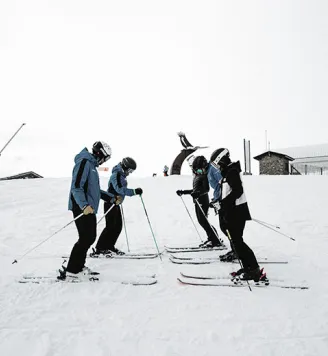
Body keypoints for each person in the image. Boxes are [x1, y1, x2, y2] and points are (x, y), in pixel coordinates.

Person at [60, 141, 118, 281]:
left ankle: (78, 267)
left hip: (88, 208)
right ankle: (73, 270)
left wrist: (111, 198)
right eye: (106, 158)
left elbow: (95, 191)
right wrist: (84, 205)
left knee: (89, 237)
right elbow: (76, 187)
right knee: (86, 238)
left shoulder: (91, 166)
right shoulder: (84, 162)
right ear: (100, 154)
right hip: (82, 207)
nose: (105, 161)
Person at [209, 148, 268, 282]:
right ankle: (248, 267)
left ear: (221, 159)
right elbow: (228, 193)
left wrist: (223, 204)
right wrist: (218, 204)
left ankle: (254, 269)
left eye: (216, 163)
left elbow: (238, 191)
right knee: (236, 242)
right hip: (233, 212)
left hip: (237, 213)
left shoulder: (232, 171)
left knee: (238, 243)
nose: (216, 166)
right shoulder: (227, 172)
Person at [93, 157, 143, 256]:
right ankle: (100, 248)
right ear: (125, 166)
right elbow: (120, 189)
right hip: (110, 203)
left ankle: (109, 246)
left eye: (132, 171)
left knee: (118, 227)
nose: (130, 172)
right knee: (110, 227)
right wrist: (134, 191)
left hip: (116, 204)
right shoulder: (116, 174)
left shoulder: (122, 175)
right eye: (130, 170)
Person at [176, 156, 225, 248]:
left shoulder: (204, 177)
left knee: (203, 221)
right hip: (197, 201)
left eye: (200, 170)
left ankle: (215, 239)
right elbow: (194, 190)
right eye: (197, 171)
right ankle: (212, 238)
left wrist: (198, 193)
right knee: (201, 221)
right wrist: (183, 192)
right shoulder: (196, 177)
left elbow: (206, 189)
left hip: (203, 200)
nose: (200, 172)